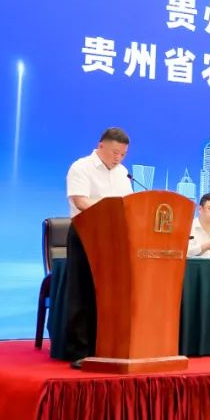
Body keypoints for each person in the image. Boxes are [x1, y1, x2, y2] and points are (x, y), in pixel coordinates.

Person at [62, 127, 134, 366]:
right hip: (86, 233)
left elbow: (128, 206)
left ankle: (108, 347)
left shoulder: (122, 173)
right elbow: (80, 201)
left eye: (123, 154)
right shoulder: (81, 167)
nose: (118, 158)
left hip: (114, 237)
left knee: (111, 294)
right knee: (83, 291)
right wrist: (111, 208)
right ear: (101, 146)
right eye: (114, 152)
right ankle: (79, 351)